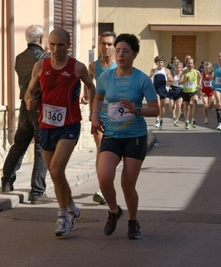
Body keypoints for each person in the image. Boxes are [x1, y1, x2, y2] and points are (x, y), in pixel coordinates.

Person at [24, 28, 95, 236]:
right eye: (52, 45)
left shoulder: (77, 67)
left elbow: (91, 87)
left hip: (69, 125)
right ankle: (73, 208)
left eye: (60, 45)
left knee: (55, 170)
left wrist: (92, 110)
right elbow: (30, 90)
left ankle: (63, 217)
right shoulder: (40, 66)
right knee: (58, 175)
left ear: (68, 46)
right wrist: (30, 99)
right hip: (46, 125)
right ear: (48, 44)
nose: (56, 49)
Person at [91, 33, 159, 239]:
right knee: (104, 177)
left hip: (135, 136)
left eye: (125, 51)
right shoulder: (106, 77)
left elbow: (155, 109)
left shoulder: (142, 79)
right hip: (111, 134)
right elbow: (98, 97)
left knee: (127, 184)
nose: (120, 55)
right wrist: (94, 115)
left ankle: (133, 221)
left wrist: (137, 110)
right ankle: (114, 211)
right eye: (118, 50)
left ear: (134, 54)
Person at [1, 25, 53, 205]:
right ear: (41, 39)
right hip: (41, 106)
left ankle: (7, 181)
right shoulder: (45, 58)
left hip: (25, 106)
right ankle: (37, 192)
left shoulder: (19, 58)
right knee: (41, 148)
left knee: (19, 144)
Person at [84, 31, 117, 205]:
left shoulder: (120, 65)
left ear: (114, 46)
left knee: (114, 152)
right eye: (103, 43)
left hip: (118, 117)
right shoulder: (93, 67)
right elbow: (89, 85)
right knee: (102, 149)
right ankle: (102, 188)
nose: (106, 47)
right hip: (100, 115)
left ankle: (106, 183)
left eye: (110, 44)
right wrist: (91, 110)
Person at [149, 56, 173, 129]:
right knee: (158, 104)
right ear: (156, 63)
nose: (160, 63)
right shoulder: (153, 70)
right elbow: (149, 77)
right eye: (159, 62)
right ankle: (157, 120)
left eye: (162, 62)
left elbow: (171, 80)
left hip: (163, 89)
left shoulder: (166, 70)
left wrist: (169, 79)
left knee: (162, 107)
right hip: (155, 89)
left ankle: (161, 120)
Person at [179, 57, 202, 129]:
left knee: (195, 102)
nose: (190, 64)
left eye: (191, 63)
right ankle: (186, 121)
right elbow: (180, 82)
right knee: (187, 108)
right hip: (186, 92)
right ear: (186, 64)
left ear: (193, 64)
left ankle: (193, 120)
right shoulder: (184, 72)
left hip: (193, 91)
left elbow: (200, 77)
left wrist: (199, 84)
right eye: (188, 63)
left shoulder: (196, 72)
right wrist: (185, 80)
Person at [167, 61, 184, 126]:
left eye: (179, 67)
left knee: (179, 105)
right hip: (172, 90)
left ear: (181, 68)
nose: (178, 69)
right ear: (174, 68)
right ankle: (174, 114)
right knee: (171, 106)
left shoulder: (183, 74)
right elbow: (168, 82)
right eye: (176, 67)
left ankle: (176, 120)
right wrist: (170, 82)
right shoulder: (172, 73)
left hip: (180, 90)